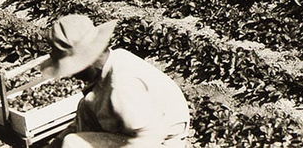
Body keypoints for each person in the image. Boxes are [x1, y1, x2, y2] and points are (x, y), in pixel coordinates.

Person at [40, 13, 192, 147]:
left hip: (162, 141)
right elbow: (85, 118)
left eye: (73, 68)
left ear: (88, 62)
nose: (72, 74)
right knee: (86, 107)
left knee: (74, 144)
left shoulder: (121, 84)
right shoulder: (115, 60)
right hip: (143, 133)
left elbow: (151, 136)